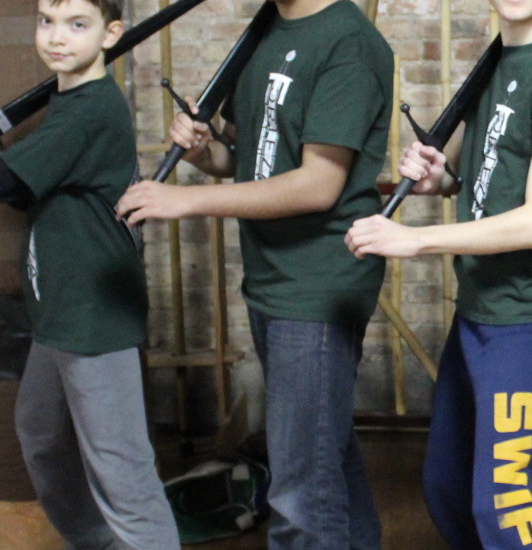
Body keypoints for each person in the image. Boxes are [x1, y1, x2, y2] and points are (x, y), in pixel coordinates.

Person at [0, 1, 178, 547]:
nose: (56, 37)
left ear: (111, 33)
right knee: (42, 437)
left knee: (124, 477)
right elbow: (34, 188)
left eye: (77, 25)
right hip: (58, 312)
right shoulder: (68, 102)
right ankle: (99, 544)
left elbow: (2, 183)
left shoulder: (92, 109)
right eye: (47, 21)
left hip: (93, 317)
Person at [112, 0, 393, 546]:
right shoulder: (266, 28)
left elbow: (318, 185)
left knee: (300, 495)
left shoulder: (349, 43)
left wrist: (185, 201)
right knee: (324, 454)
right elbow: (244, 159)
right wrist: (202, 152)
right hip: (271, 276)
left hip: (316, 284)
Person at [341, 0, 532, 547]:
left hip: (521, 320)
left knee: (507, 508)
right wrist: (441, 178)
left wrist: (415, 240)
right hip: (479, 309)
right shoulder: (498, 60)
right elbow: (484, 178)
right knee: (448, 487)